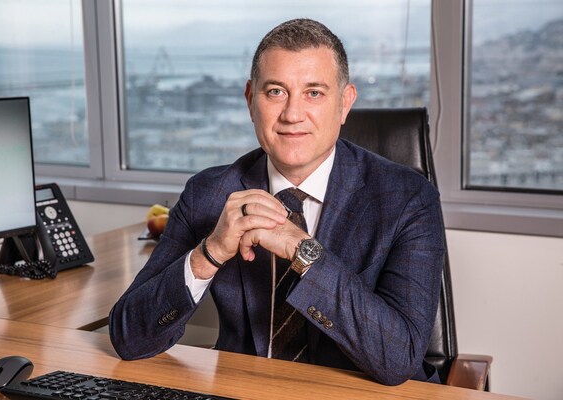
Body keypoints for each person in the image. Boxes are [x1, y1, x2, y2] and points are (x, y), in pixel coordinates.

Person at [109, 18, 445, 386]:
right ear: (250, 100)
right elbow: (129, 338)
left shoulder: (409, 199)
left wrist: (303, 252)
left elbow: (398, 359)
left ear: (345, 103)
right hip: (248, 389)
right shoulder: (208, 193)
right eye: (275, 92)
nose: (292, 114)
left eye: (314, 93)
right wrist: (210, 252)